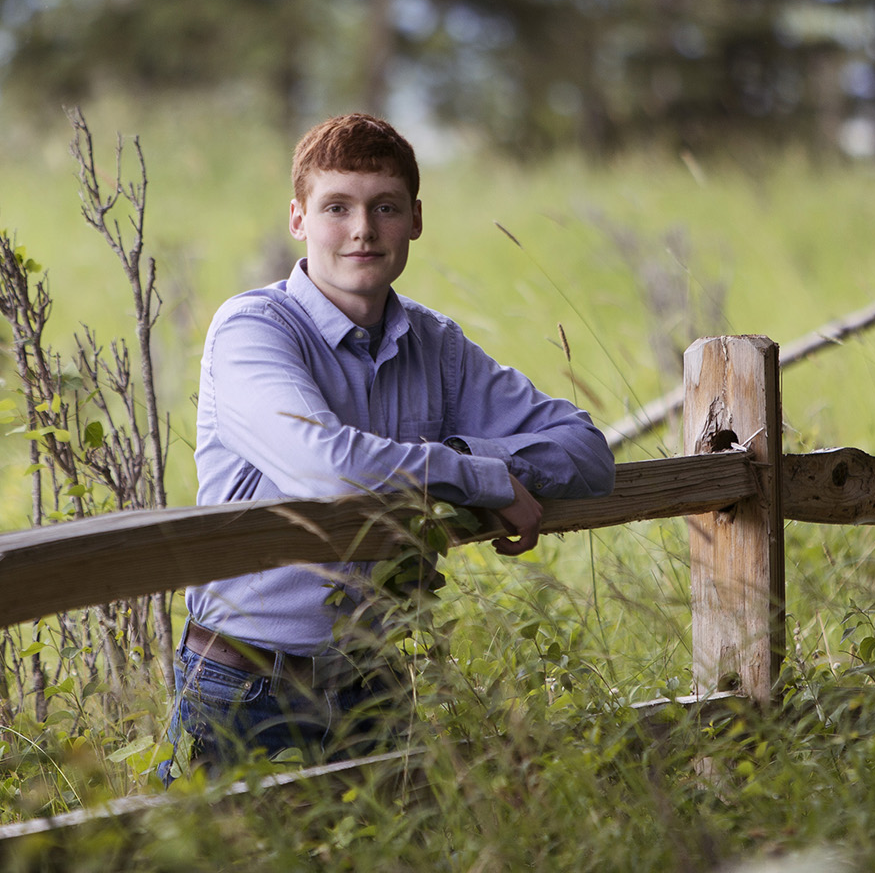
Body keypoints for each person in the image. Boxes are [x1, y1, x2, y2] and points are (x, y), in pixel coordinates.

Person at [167, 113, 614, 777]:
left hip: (373, 683)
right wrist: (475, 476)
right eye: (336, 206)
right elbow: (326, 466)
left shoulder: (436, 344)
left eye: (385, 207)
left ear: (416, 219)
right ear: (298, 219)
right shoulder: (251, 328)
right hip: (247, 682)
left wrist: (473, 458)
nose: (363, 229)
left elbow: (586, 453)